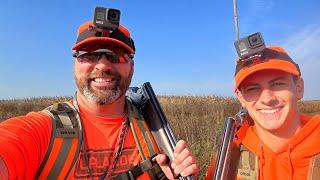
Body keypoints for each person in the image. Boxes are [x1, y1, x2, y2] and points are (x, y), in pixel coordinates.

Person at [0, 19, 199, 179]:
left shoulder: (154, 131)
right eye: (89, 54)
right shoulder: (43, 131)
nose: (102, 64)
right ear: (75, 64)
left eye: (116, 55)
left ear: (132, 66)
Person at [206, 46, 320, 179]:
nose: (267, 99)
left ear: (299, 88)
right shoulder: (228, 160)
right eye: (253, 89)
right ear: (241, 98)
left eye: (278, 84)